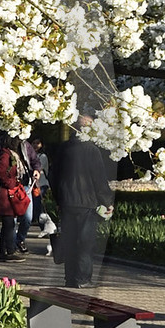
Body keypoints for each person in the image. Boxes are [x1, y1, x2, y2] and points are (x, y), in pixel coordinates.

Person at [54, 112, 115, 287]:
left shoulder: (64, 148)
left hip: (67, 201)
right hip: (86, 203)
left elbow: (54, 175)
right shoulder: (91, 150)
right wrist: (107, 201)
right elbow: (99, 178)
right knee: (85, 242)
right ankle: (83, 278)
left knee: (70, 240)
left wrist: (59, 198)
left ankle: (70, 278)